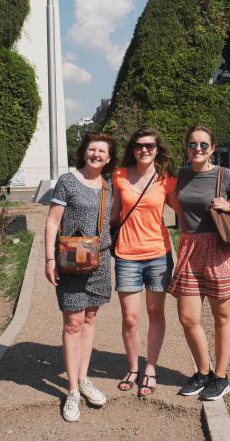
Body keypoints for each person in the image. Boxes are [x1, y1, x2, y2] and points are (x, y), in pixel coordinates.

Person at [168, 125, 230, 401]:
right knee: (188, 317)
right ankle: (203, 372)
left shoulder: (223, 175)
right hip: (190, 247)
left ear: (212, 149)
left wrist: (228, 206)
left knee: (222, 317)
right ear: (187, 147)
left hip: (218, 250)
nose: (197, 149)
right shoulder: (179, 176)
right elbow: (173, 203)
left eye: (204, 145)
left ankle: (220, 376)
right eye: (192, 144)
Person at [45, 131, 117, 423]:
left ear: (109, 158)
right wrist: (49, 258)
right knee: (73, 323)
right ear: (83, 152)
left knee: (90, 319)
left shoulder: (107, 187)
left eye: (102, 151)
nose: (96, 154)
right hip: (71, 259)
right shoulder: (67, 181)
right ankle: (72, 390)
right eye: (92, 149)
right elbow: (52, 221)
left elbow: (110, 221)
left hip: (99, 261)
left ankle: (84, 378)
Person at [111, 127, 176, 398]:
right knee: (130, 317)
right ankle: (133, 366)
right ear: (132, 149)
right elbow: (113, 215)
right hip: (126, 255)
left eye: (149, 146)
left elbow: (186, 213)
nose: (144, 150)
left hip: (158, 254)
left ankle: (150, 367)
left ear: (157, 148)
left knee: (155, 313)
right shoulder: (119, 176)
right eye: (139, 146)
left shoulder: (166, 180)